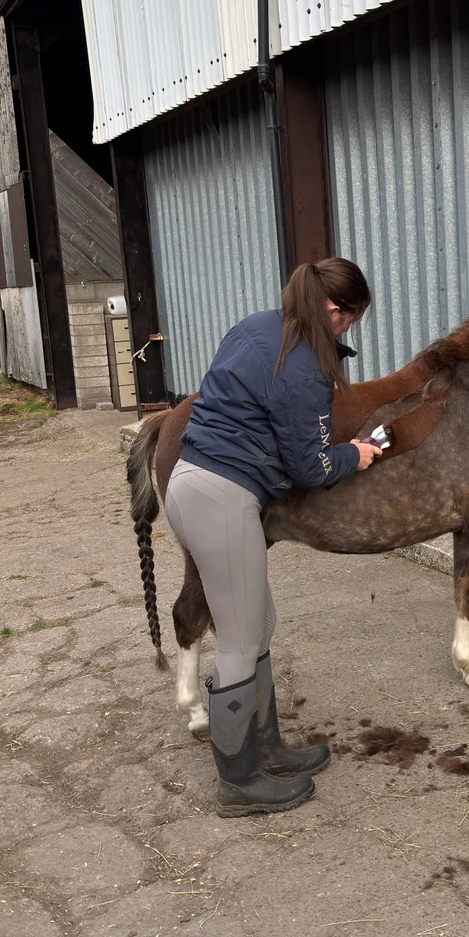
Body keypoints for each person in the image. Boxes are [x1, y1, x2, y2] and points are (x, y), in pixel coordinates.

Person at [164, 259, 381, 817]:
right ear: (335, 311)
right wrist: (354, 455)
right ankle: (239, 783)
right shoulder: (304, 364)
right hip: (223, 495)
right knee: (237, 641)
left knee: (259, 623)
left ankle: (268, 748)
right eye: (351, 321)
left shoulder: (256, 327)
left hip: (196, 484)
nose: (349, 332)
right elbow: (309, 465)